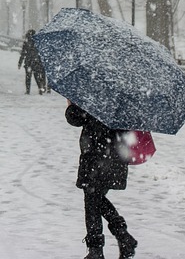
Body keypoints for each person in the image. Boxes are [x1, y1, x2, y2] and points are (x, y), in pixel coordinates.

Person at [65, 102, 137, 259]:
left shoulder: (94, 93)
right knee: (95, 199)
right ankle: (122, 238)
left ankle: (98, 250)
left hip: (96, 155)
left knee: (92, 199)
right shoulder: (124, 97)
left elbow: (75, 118)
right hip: (116, 152)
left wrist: (71, 106)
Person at [18, 29, 48, 94]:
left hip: (28, 62)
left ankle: (28, 90)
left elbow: (23, 53)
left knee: (28, 77)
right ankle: (40, 88)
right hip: (35, 62)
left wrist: (20, 62)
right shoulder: (37, 42)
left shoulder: (26, 42)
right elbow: (40, 53)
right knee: (36, 76)